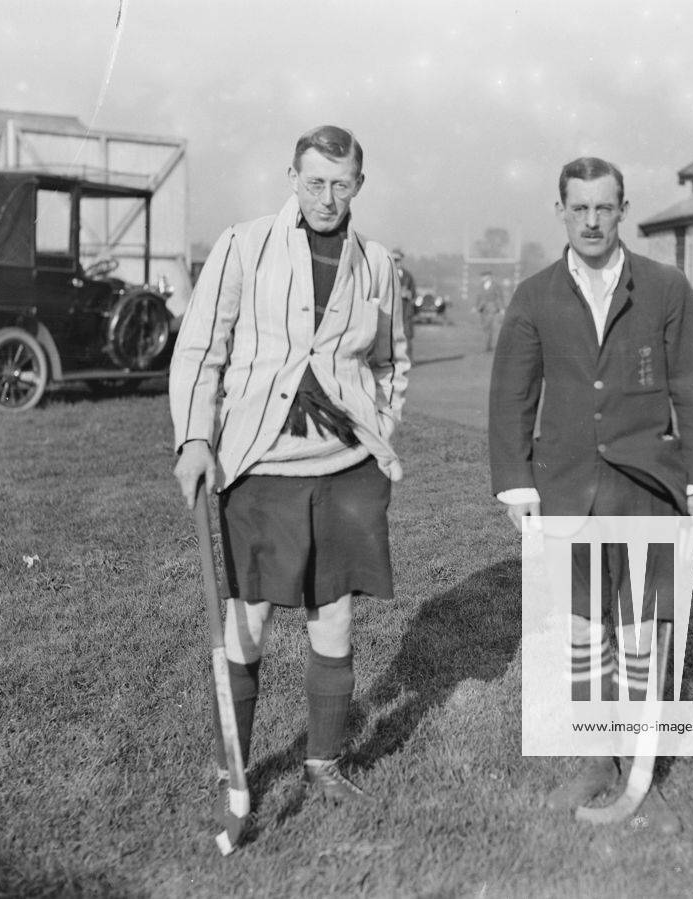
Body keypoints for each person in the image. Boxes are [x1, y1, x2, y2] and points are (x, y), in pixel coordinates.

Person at [169, 125, 410, 809]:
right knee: (246, 621)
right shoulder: (244, 245)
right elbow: (200, 351)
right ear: (292, 178)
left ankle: (323, 762)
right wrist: (194, 439)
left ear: (358, 183)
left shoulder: (377, 262)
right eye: (314, 182)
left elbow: (393, 362)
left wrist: (381, 428)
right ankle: (232, 766)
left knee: (333, 619)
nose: (327, 197)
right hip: (259, 467)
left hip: (344, 470)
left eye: (341, 183)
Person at [488, 156, 693, 827]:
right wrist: (516, 485)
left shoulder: (666, 288)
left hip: (647, 485)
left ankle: (642, 773)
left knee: (642, 630)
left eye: (603, 207)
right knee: (587, 628)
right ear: (561, 210)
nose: (591, 220)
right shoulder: (535, 295)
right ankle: (595, 760)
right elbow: (511, 398)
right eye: (578, 207)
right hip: (568, 490)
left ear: (622, 209)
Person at [392, 248, 416, 359]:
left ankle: (408, 359)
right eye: (394, 260)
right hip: (392, 310)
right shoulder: (387, 273)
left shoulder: (408, 276)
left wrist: (408, 294)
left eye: (398, 260)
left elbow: (414, 294)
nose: (397, 262)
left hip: (405, 310)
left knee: (407, 335)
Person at [474, 270, 505, 351]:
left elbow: (500, 297)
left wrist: (502, 308)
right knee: (484, 326)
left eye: (484, 276)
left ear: (489, 277)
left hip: (492, 307)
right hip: (482, 308)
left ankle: (487, 346)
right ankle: (487, 344)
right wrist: (475, 306)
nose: (482, 278)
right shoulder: (481, 286)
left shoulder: (496, 286)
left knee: (489, 326)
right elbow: (478, 296)